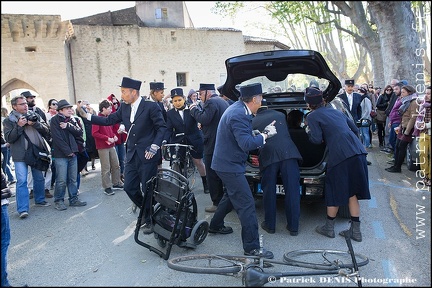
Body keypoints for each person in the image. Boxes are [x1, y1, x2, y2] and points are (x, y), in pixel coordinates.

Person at [86, 77, 167, 234]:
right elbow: (108, 120)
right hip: (131, 155)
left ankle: (149, 218)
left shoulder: (150, 107)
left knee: (148, 188)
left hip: (147, 155)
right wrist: (88, 116)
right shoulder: (124, 108)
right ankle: (147, 211)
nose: (121, 95)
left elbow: (161, 128)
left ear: (133, 92)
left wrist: (154, 146)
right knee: (129, 187)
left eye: (123, 92)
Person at [208, 83, 277, 259]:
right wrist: (265, 135)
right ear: (254, 99)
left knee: (231, 195)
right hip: (229, 166)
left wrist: (257, 133)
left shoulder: (238, 109)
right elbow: (246, 144)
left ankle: (215, 225)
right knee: (247, 204)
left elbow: (240, 135)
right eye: (261, 97)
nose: (262, 100)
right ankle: (252, 248)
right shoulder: (239, 114)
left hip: (225, 163)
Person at [304, 86, 370, 242]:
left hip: (340, 156)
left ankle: (329, 228)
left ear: (309, 104)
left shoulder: (313, 117)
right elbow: (355, 129)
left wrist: (307, 130)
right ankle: (356, 232)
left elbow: (316, 139)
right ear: (323, 100)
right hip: (358, 152)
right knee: (351, 193)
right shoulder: (336, 111)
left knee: (334, 191)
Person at [252, 100, 302, 235]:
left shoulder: (253, 121)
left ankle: (270, 225)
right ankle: (293, 227)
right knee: (292, 190)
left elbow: (253, 144)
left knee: (269, 190)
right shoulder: (280, 116)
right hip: (289, 154)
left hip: (269, 156)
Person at [3, 95, 52, 219]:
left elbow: (46, 130)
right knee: (22, 181)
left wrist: (35, 124)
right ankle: (23, 209)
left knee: (39, 177)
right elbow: (9, 138)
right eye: (22, 104)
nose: (25, 105)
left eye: (25, 103)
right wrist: (19, 126)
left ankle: (40, 200)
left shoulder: (34, 115)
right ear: (14, 106)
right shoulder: (8, 120)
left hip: (36, 152)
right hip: (20, 155)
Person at [189, 83, 230, 213]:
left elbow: (205, 118)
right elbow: (212, 121)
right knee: (220, 173)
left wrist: (193, 109)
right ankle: (224, 200)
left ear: (207, 92)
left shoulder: (211, 102)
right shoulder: (221, 101)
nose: (200, 97)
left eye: (200, 94)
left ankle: (216, 203)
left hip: (212, 144)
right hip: (221, 143)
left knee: (212, 175)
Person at [163, 88, 208, 193]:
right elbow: (168, 129)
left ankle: (206, 183)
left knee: (198, 161)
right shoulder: (170, 114)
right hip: (178, 140)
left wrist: (200, 125)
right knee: (177, 162)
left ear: (184, 99)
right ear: (172, 102)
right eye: (175, 101)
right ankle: (181, 186)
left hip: (194, 138)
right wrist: (164, 140)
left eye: (179, 100)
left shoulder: (192, 109)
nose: (177, 103)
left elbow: (200, 120)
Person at [50, 99, 87, 210]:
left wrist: (68, 126)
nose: (70, 110)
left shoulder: (72, 120)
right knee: (61, 180)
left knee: (73, 178)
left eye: (71, 108)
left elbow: (79, 132)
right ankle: (59, 200)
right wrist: (68, 152)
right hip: (61, 155)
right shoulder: (54, 120)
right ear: (60, 110)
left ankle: (73, 199)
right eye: (67, 108)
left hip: (74, 153)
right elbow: (57, 139)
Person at [92, 99, 124, 196]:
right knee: (106, 167)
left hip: (111, 145)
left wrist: (114, 135)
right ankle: (107, 187)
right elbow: (94, 133)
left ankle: (116, 182)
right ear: (103, 109)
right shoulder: (97, 119)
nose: (111, 110)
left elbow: (110, 130)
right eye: (109, 108)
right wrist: (107, 138)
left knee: (116, 165)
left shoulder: (108, 118)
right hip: (103, 147)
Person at [385, 85, 419, 173]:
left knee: (401, 147)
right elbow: (403, 116)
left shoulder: (413, 102)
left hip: (408, 129)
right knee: (397, 145)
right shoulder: (405, 101)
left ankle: (398, 167)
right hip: (402, 126)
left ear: (409, 93)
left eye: (404, 92)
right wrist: (400, 126)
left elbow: (413, 118)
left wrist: (407, 131)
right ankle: (395, 165)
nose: (402, 94)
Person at [413, 85, 431, 186]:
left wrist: (426, 125)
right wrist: (418, 124)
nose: (426, 95)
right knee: (422, 154)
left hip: (428, 131)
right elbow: (418, 118)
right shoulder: (423, 105)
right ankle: (425, 175)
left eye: (429, 94)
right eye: (426, 93)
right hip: (423, 133)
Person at [107, 94, 126, 181]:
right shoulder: (110, 115)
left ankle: (122, 175)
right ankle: (116, 178)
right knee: (115, 162)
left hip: (121, 139)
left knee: (122, 159)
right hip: (113, 140)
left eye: (116, 103)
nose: (115, 105)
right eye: (113, 104)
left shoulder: (120, 112)